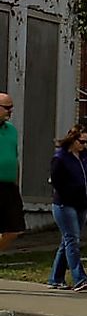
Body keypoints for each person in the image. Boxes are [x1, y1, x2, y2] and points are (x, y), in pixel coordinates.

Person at [48, 126, 87, 291]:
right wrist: (70, 195)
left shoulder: (84, 156)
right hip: (64, 205)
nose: (84, 145)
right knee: (72, 240)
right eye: (82, 141)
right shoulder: (60, 158)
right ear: (72, 140)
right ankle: (80, 278)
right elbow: (56, 182)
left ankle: (55, 278)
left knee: (67, 241)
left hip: (82, 203)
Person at [0, 90, 21, 256]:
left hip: (9, 187)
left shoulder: (12, 130)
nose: (10, 111)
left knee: (15, 229)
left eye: (11, 107)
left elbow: (15, 156)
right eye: (7, 107)